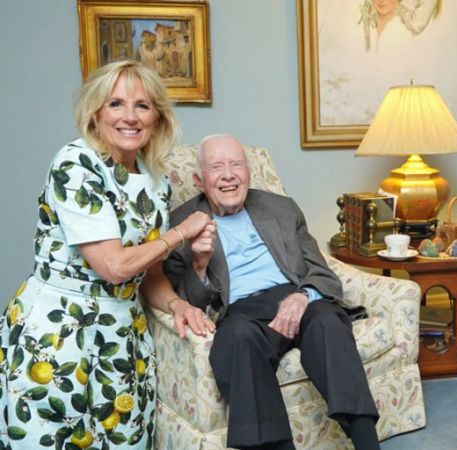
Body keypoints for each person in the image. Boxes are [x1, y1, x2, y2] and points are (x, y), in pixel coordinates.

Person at [0, 60, 214, 450]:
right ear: (95, 113)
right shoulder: (75, 163)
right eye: (115, 104)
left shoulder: (156, 180)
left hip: (122, 338)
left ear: (157, 118)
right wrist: (182, 233)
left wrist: (177, 304)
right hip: (59, 334)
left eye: (143, 106)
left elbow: (149, 275)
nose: (129, 117)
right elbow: (115, 266)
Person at [163, 134, 381, 450]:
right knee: (237, 338)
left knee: (329, 324)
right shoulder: (181, 223)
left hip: (295, 297)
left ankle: (367, 443)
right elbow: (191, 302)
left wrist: (301, 296)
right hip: (241, 313)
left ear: (248, 172)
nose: (228, 174)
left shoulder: (281, 208)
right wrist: (199, 264)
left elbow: (323, 272)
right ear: (199, 179)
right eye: (217, 167)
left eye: (236, 164)